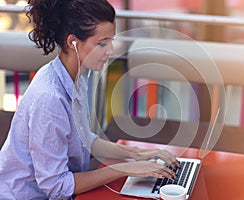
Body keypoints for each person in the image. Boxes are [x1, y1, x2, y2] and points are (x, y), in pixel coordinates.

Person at [0, 0, 180, 199]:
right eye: (102, 43)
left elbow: (84, 139)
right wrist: (126, 169)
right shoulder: (49, 98)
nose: (111, 51)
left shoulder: (74, 77)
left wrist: (139, 154)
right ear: (73, 43)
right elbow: (57, 186)